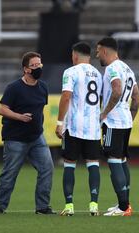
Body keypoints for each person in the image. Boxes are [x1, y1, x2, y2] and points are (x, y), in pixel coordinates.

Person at [0, 52, 55, 215]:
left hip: (36, 137)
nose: (38, 68)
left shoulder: (43, 87)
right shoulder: (14, 88)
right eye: (34, 65)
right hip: (15, 138)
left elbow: (40, 110)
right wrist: (20, 117)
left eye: (40, 64)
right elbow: (2, 109)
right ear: (26, 69)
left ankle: (42, 207)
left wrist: (37, 125)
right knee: (10, 173)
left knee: (47, 168)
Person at [55, 42, 102, 216]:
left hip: (74, 126)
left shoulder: (71, 72)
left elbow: (66, 96)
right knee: (93, 164)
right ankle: (94, 205)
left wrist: (60, 122)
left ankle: (69, 206)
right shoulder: (98, 74)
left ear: (74, 55)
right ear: (89, 56)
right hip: (93, 127)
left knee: (69, 164)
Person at [96, 37, 139, 216]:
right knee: (121, 160)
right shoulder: (127, 68)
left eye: (98, 51)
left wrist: (104, 113)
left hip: (113, 121)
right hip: (125, 120)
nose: (97, 54)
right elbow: (137, 98)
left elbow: (116, 90)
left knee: (114, 160)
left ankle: (123, 207)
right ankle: (125, 204)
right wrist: (130, 118)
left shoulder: (112, 68)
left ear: (105, 51)